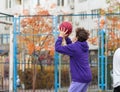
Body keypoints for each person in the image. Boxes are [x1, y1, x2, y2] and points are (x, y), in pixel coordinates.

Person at [55, 27, 92, 92]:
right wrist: (66, 38)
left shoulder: (75, 48)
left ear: (77, 37)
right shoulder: (84, 46)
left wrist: (60, 37)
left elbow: (57, 48)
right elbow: (72, 47)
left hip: (79, 79)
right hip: (86, 77)